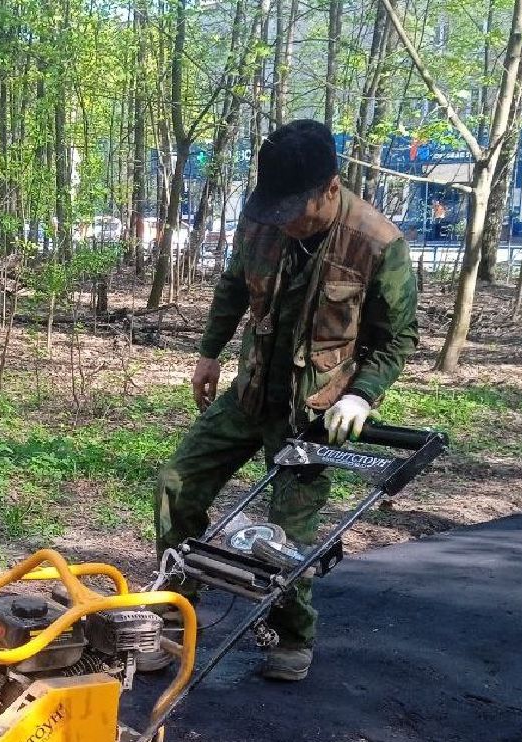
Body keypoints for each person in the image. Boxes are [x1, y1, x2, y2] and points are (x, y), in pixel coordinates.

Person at [152, 119, 418, 682]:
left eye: (298, 209)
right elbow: (233, 284)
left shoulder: (377, 243)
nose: (288, 223)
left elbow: (397, 339)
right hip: (250, 392)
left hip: (314, 409)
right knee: (177, 483)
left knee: (283, 537)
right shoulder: (264, 218)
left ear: (330, 187)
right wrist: (209, 352)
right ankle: (176, 616)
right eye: (279, 210)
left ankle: (293, 636)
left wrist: (363, 396)